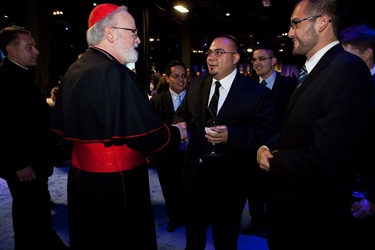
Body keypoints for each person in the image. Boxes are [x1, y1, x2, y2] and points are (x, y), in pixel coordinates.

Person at [51, 4, 187, 250]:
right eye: (133, 32)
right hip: (117, 182)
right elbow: (146, 135)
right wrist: (178, 132)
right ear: (110, 33)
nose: (138, 40)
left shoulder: (76, 68)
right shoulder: (114, 72)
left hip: (82, 179)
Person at [256, 0, 374, 249]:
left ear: (322, 22)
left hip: (313, 216)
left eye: (295, 23)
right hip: (289, 208)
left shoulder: (347, 69)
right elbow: (296, 127)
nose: (290, 33)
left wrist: (275, 161)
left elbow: (327, 157)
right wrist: (266, 146)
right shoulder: (314, 69)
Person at [172, 34, 279, 250]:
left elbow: (267, 132)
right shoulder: (196, 83)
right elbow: (182, 112)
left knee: (225, 240)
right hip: (195, 178)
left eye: (219, 53)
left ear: (236, 58)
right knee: (193, 238)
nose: (211, 57)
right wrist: (180, 123)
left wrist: (233, 136)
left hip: (230, 183)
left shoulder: (256, 93)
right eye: (210, 52)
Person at [0, 27, 69, 250]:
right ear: (11, 50)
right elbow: (3, 127)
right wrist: (18, 163)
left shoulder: (21, 74)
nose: (37, 51)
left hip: (34, 163)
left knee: (33, 216)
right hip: (24, 167)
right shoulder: (5, 79)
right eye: (29, 47)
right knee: (31, 217)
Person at [241, 44, 297, 236]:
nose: (256, 63)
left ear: (274, 61)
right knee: (254, 190)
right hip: (252, 146)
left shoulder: (289, 86)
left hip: (278, 147)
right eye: (254, 59)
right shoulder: (247, 85)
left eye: (261, 59)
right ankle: (256, 221)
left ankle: (275, 226)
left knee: (275, 192)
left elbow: (292, 119)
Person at [339, 23, 375, 249]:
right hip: (345, 185)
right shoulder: (348, 82)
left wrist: (373, 197)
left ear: (368, 53)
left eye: (347, 54)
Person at [149, 60, 188, 232]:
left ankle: (191, 218)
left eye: (184, 76)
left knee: (190, 189)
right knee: (170, 189)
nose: (181, 80)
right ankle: (174, 218)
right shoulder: (157, 101)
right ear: (167, 78)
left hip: (190, 155)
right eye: (176, 76)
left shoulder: (196, 98)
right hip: (166, 155)